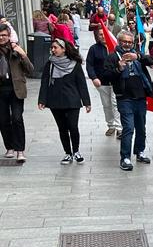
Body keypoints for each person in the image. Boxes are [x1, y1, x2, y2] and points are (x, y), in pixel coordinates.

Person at [37, 24, 91, 165]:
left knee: (73, 126)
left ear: (63, 49)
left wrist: (86, 102)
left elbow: (82, 84)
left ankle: (76, 151)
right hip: (55, 100)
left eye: (55, 47)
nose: (53, 50)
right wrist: (42, 100)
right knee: (62, 128)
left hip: (72, 100)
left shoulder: (75, 64)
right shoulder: (50, 64)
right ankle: (67, 153)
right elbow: (44, 82)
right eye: (52, 48)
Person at [104, 30, 153, 171]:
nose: (127, 44)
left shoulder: (136, 54)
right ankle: (125, 157)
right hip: (124, 97)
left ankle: (139, 151)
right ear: (119, 42)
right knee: (128, 128)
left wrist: (137, 56)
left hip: (140, 97)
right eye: (124, 42)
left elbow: (151, 60)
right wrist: (118, 68)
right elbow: (106, 76)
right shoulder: (113, 57)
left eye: (130, 42)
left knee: (141, 127)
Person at [0, 23, 34, 162]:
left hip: (16, 89)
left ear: (9, 36)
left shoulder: (16, 50)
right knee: (3, 120)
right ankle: (9, 147)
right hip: (1, 90)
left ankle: (20, 150)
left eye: (4, 35)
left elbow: (30, 70)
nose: (1, 38)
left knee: (17, 118)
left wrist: (23, 54)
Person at [84, 30, 121, 138]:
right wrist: (94, 78)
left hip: (116, 81)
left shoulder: (116, 48)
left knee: (116, 104)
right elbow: (89, 65)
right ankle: (111, 125)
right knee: (107, 105)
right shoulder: (94, 49)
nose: (103, 36)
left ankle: (119, 127)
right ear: (97, 36)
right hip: (102, 82)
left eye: (105, 34)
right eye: (100, 34)